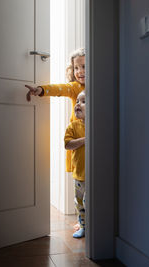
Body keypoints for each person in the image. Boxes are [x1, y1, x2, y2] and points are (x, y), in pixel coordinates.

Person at [24, 48, 85, 174]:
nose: (80, 72)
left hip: (95, 133)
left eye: (84, 66)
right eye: (76, 68)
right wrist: (41, 90)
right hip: (79, 136)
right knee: (80, 168)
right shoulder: (75, 87)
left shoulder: (100, 85)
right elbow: (59, 89)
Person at [64, 91, 86, 238]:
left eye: (83, 101)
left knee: (88, 202)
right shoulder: (73, 126)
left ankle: (94, 226)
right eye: (77, 101)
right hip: (79, 175)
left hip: (93, 175)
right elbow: (67, 144)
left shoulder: (98, 125)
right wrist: (85, 139)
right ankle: (84, 227)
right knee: (80, 205)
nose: (77, 104)